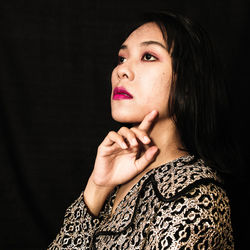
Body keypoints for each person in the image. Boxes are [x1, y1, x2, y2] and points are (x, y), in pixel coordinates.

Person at [48, 10, 234, 249]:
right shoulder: (117, 178)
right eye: (121, 58)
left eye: (148, 56)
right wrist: (97, 187)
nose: (121, 71)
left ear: (187, 83)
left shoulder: (196, 197)